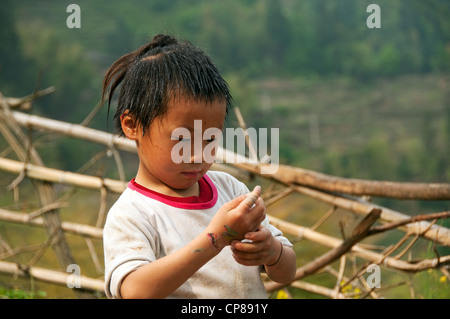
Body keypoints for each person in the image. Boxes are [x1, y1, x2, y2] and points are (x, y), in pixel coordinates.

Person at [102, 34, 296, 299]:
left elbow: (286, 272)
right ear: (132, 125)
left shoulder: (230, 189)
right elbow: (135, 292)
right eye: (182, 139)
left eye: (210, 138)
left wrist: (272, 252)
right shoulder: (132, 214)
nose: (197, 154)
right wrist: (215, 238)